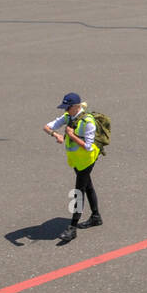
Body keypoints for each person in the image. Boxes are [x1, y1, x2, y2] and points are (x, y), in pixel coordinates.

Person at [43, 92, 102, 241]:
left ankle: (72, 228)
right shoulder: (68, 117)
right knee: (87, 186)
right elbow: (47, 126)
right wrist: (56, 135)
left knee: (78, 191)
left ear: (76, 106)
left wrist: (71, 135)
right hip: (76, 160)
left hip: (87, 160)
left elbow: (88, 146)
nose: (65, 110)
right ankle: (96, 217)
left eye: (68, 107)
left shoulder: (88, 121)